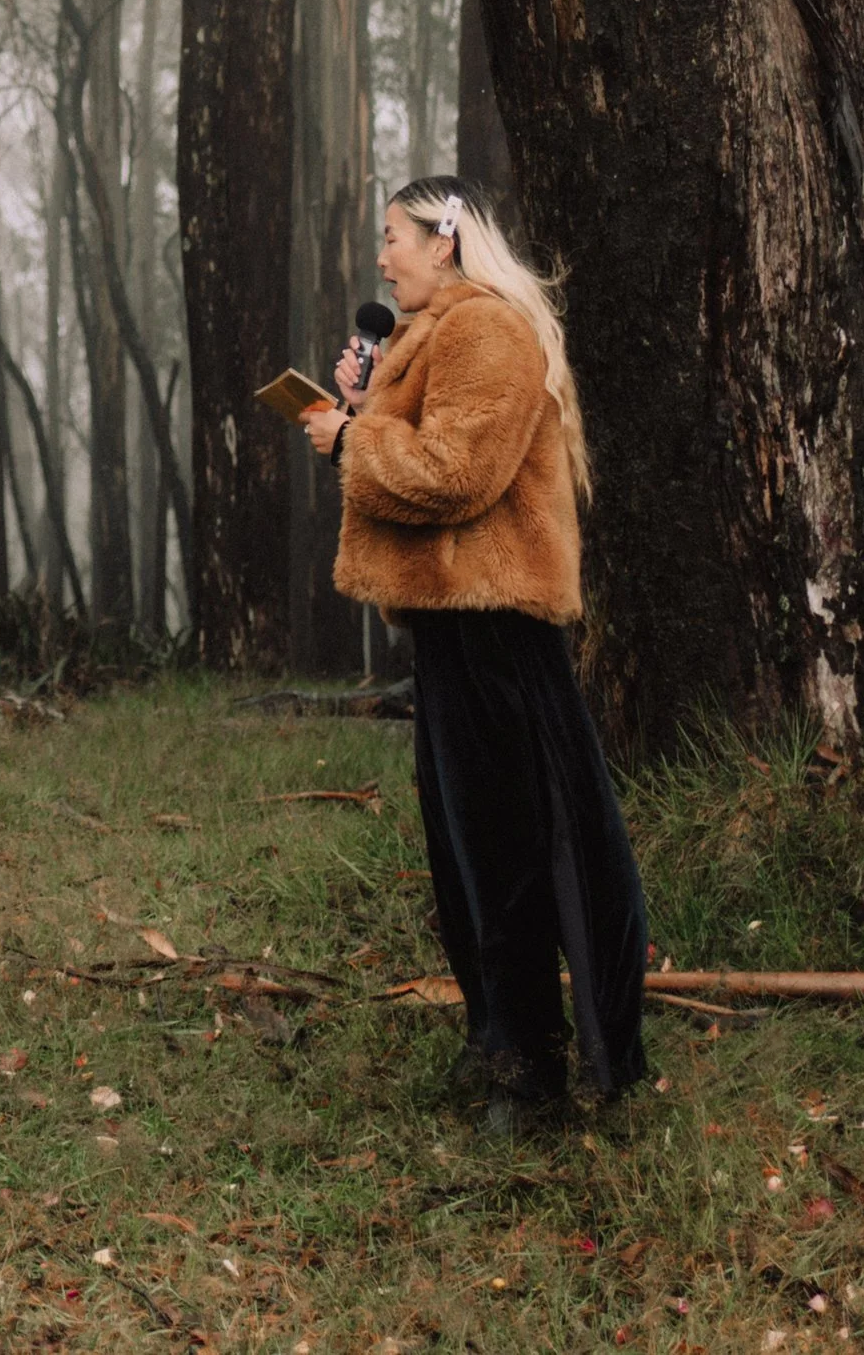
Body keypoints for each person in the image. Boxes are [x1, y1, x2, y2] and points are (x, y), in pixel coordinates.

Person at [303, 173, 648, 1123]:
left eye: (394, 237)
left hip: (498, 629)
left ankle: (540, 1072)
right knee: (467, 852)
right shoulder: (433, 336)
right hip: (456, 627)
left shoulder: (487, 329)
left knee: (517, 851)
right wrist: (362, 408)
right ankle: (501, 1038)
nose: (383, 258)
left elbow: (456, 475)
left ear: (444, 241)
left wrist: (350, 442)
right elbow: (427, 465)